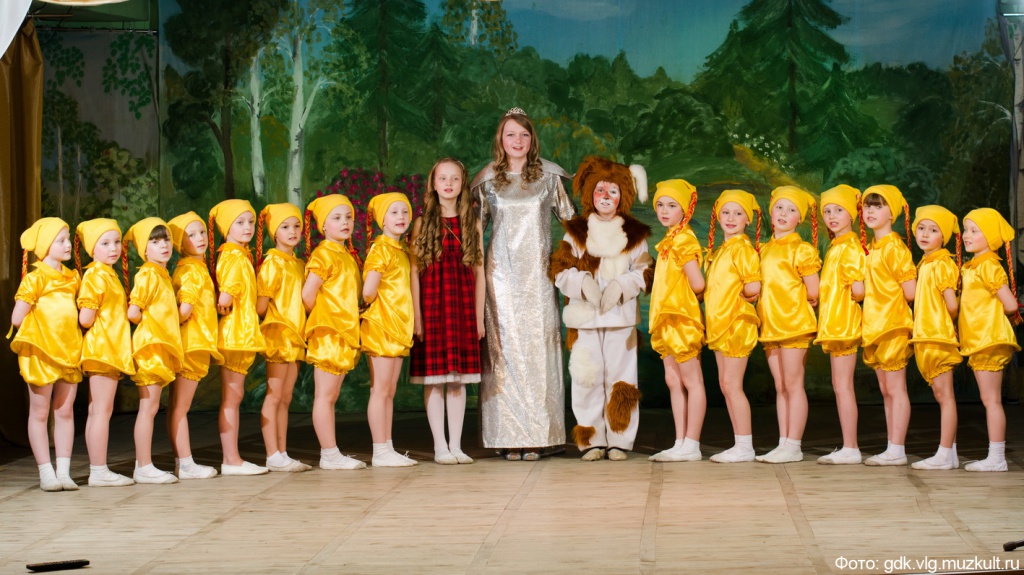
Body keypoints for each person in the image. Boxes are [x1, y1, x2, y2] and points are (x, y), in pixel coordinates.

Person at [471, 107, 576, 461]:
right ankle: (507, 435)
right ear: (501, 139)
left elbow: (572, 223)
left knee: (538, 352)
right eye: (511, 134)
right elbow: (474, 233)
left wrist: (574, 264)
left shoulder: (549, 178)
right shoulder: (487, 181)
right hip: (501, 279)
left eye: (524, 134)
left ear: (532, 139)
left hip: (539, 277)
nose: (517, 140)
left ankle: (541, 435)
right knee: (505, 354)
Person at [551, 156, 653, 461]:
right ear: (590, 193)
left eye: (613, 191)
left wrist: (622, 287)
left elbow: (645, 271)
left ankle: (620, 439)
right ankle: (591, 439)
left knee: (622, 380)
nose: (605, 196)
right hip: (584, 320)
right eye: (600, 190)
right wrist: (583, 283)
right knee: (587, 379)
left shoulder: (634, 234)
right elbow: (560, 270)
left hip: (621, 320)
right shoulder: (577, 232)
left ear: (623, 195)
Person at [409, 159, 484, 465]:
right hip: (432, 306)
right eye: (443, 178)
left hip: (462, 306)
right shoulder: (422, 223)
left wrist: (478, 317)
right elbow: (414, 273)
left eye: (454, 178)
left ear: (462, 183)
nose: (448, 184)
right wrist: (417, 317)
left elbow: (480, 272)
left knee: (457, 380)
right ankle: (440, 446)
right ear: (434, 183)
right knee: (434, 379)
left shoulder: (471, 222)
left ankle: (456, 445)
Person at [11, 218, 83, 491]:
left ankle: (63, 472)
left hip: (69, 351)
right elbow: (17, 318)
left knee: (64, 411)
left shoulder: (72, 278)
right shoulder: (36, 278)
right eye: (60, 240)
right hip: (43, 353)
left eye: (68, 239)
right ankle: (46, 473)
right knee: (40, 413)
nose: (67, 244)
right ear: (45, 246)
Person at [756, 186, 821, 464]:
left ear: (800, 219)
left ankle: (794, 445)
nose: (784, 213)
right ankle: (783, 442)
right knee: (781, 385)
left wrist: (797, 304)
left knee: (793, 384)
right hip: (770, 325)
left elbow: (814, 290)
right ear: (771, 212)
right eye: (779, 208)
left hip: (794, 324)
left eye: (791, 210)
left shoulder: (802, 249)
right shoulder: (764, 248)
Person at [302, 194, 367, 470]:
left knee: (332, 396)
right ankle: (329, 454)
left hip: (343, 332)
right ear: (323, 226)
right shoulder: (324, 254)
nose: (345, 222)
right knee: (325, 396)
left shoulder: (347, 255)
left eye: (348, 217)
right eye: (337, 218)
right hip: (329, 333)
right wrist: (326, 317)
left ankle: (331, 452)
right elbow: (308, 295)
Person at [647, 179, 707, 463]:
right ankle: (680, 441)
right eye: (660, 205)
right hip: (667, 319)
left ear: (685, 209)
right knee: (673, 381)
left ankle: (692, 442)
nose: (664, 210)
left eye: (672, 205)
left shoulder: (683, 239)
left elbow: (697, 283)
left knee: (692, 381)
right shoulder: (669, 240)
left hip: (680, 318)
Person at [958, 208, 1021, 472]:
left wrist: (989, 319)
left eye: (975, 231)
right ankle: (995, 456)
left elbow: (1010, 305)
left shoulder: (988, 266)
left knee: (991, 400)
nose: (967, 235)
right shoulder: (973, 266)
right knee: (989, 399)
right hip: (979, 339)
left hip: (988, 339)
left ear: (990, 237)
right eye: (966, 230)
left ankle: (997, 457)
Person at [208, 199, 268, 476]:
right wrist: (224, 302)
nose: (247, 227)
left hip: (241, 333)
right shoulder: (234, 256)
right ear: (226, 227)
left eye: (251, 222)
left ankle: (232, 458)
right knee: (231, 399)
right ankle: (230, 460)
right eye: (240, 222)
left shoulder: (239, 255)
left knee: (235, 396)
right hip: (235, 335)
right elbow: (225, 296)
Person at [76, 218, 136, 487]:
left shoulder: (107, 274)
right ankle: (99, 471)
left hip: (108, 349)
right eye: (105, 243)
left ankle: (97, 469)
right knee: (101, 411)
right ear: (92, 248)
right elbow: (86, 318)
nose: (113, 248)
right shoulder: (96, 275)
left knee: (98, 410)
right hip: (102, 349)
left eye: (116, 242)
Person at [704, 191, 762, 463]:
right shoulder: (722, 250)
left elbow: (753, 286)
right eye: (726, 212)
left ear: (747, 220)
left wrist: (743, 296)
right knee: (726, 384)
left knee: (732, 384)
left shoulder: (742, 249)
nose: (731, 218)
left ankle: (745, 446)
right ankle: (740, 443)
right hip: (720, 325)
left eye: (738, 213)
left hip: (736, 324)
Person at [860, 185, 916, 467]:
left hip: (892, 325)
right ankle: (892, 446)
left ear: (891, 213)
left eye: (878, 206)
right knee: (886, 389)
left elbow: (911, 292)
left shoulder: (895, 248)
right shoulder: (870, 248)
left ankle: (897, 448)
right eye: (867, 206)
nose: (870, 211)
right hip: (875, 326)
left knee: (895, 389)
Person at [125, 218, 182, 484]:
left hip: (159, 345)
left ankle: (144, 465)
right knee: (148, 407)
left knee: (152, 406)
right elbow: (133, 312)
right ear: (144, 249)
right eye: (155, 241)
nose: (163, 245)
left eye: (166, 239)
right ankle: (143, 466)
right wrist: (150, 327)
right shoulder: (148, 274)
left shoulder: (162, 274)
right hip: (150, 346)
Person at [362, 192, 417, 467]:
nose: (401, 217)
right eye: (394, 212)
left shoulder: (401, 250)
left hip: (397, 328)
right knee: (380, 390)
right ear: (382, 219)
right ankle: (379, 450)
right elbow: (368, 291)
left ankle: (387, 446)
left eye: (405, 212)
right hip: (382, 326)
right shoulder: (381, 249)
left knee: (389, 391)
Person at [814, 185, 867, 465]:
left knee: (843, 385)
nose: (832, 216)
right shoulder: (837, 247)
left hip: (844, 324)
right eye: (827, 211)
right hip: (835, 324)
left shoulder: (850, 248)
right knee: (839, 385)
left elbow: (859, 290)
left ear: (852, 215)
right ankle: (849, 446)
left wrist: (847, 302)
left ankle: (851, 447)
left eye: (838, 210)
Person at [255, 203, 310, 472]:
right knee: (274, 395)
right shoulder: (272, 263)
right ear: (274, 232)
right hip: (279, 335)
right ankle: (271, 454)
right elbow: (261, 306)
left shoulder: (299, 264)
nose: (292, 231)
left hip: (296, 336)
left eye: (296, 226)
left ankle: (282, 452)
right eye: (285, 227)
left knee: (286, 397)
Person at [166, 212, 222, 479]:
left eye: (201, 232)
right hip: (192, 343)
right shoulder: (191, 270)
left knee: (178, 405)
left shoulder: (191, 267)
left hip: (193, 342)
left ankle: (182, 462)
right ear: (179, 242)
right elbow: (184, 310)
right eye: (191, 234)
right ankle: (186, 463)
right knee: (181, 406)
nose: (200, 238)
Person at [909, 206, 962, 470]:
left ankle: (944, 454)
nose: (925, 234)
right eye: (921, 228)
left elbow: (952, 305)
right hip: (927, 336)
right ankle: (950, 453)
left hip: (938, 336)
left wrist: (944, 324)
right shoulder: (926, 263)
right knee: (942, 395)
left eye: (933, 230)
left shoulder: (941, 263)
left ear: (944, 236)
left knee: (945, 396)